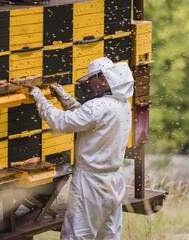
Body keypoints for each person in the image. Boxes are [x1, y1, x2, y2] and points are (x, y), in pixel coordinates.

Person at [30, 57, 134, 240]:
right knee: (108, 235)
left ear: (102, 78)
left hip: (91, 183)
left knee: (77, 235)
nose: (91, 85)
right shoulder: (123, 104)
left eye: (91, 79)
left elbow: (62, 122)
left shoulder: (98, 107)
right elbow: (89, 119)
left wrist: (40, 100)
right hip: (115, 181)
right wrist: (65, 98)